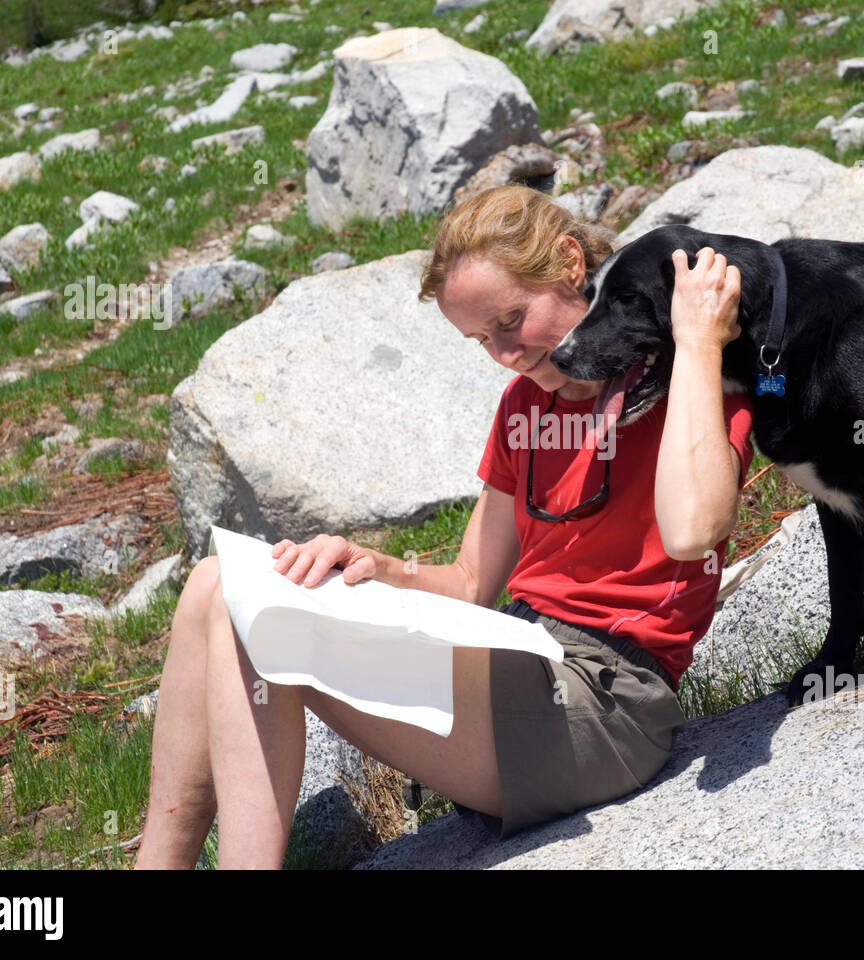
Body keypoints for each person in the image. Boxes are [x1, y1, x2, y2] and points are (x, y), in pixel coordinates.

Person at [134, 184, 754, 869]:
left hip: (608, 705)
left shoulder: (682, 377)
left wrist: (699, 340)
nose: (506, 354)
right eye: (482, 339)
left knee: (246, 617)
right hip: (520, 660)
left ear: (571, 262)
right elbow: (467, 584)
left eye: (512, 320)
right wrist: (375, 568)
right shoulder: (526, 406)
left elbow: (696, 529)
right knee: (213, 585)